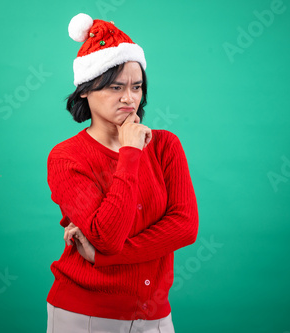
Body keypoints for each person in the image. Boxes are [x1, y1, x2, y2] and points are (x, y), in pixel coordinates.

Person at [45, 13, 199, 333]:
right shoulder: (66, 157)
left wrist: (103, 258)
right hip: (86, 316)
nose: (129, 99)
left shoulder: (165, 146)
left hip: (156, 316)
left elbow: (185, 227)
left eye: (137, 87)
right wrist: (129, 152)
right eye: (116, 87)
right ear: (86, 89)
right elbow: (108, 236)